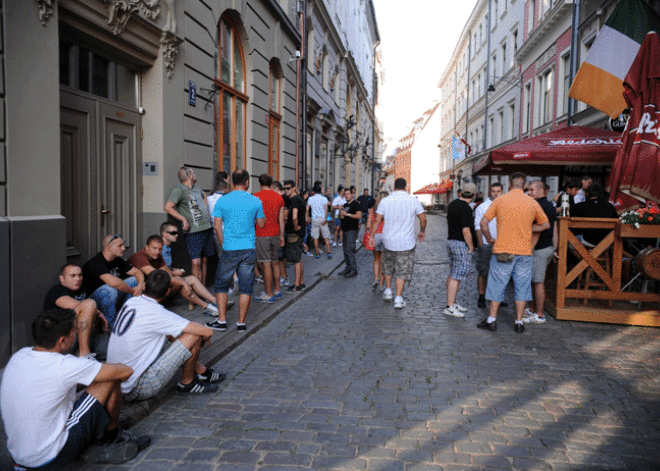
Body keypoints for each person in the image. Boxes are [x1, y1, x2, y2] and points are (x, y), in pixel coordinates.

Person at [1, 309, 151, 469]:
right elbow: (125, 371)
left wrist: (88, 376)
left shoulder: (19, 356)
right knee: (109, 379)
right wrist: (99, 372)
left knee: (92, 382)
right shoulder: (64, 365)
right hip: (48, 457)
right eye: (74, 332)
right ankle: (112, 437)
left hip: (19, 454)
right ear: (62, 341)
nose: (76, 335)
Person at [107, 270, 222, 400]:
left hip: (116, 381)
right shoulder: (157, 312)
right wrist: (203, 339)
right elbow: (207, 331)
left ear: (144, 285)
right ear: (168, 292)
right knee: (193, 335)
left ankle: (200, 370)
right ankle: (187, 383)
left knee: (169, 333)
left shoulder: (131, 302)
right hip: (136, 387)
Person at [478, 172, 550, 334]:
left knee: (497, 284)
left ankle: (492, 320)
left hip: (503, 250)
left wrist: (489, 238)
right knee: (522, 286)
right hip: (524, 252)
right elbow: (545, 225)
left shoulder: (500, 200)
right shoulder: (531, 202)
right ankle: (518, 322)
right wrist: (529, 228)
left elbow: (484, 223)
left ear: (509, 185)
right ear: (524, 186)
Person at [208, 169, 266, 331]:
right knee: (246, 286)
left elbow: (217, 227)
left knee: (221, 285)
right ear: (247, 182)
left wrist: (224, 243)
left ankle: (221, 320)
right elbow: (261, 224)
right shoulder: (255, 201)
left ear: (232, 182)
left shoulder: (223, 201)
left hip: (229, 249)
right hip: (248, 248)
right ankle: (241, 323)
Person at [368, 178, 426, 309]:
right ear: (405, 187)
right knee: (402, 270)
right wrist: (422, 231)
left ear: (394, 187)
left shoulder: (385, 201)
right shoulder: (413, 201)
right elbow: (423, 219)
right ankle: (398, 299)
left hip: (388, 240)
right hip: (406, 243)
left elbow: (377, 220)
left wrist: (371, 236)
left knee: (388, 266)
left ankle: (388, 291)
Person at [129, 235, 219, 316]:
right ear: (146, 247)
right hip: (143, 295)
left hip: (157, 290)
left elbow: (168, 273)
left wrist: (175, 274)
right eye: (154, 248)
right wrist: (183, 283)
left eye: (160, 249)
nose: (157, 251)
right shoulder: (139, 257)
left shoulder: (157, 256)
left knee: (191, 279)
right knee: (181, 282)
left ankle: (215, 302)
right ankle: (206, 307)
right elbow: (156, 275)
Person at [159, 222, 235, 309]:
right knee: (183, 281)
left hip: (169, 282)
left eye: (177, 233)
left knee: (192, 279)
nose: (176, 235)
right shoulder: (160, 249)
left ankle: (214, 303)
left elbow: (164, 267)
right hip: (161, 287)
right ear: (164, 234)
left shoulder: (167, 248)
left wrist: (173, 270)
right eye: (173, 233)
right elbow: (160, 273)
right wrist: (175, 273)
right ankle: (211, 306)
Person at [43, 264, 108, 358]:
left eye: (80, 275)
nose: (78, 279)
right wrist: (98, 313)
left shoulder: (82, 289)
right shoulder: (56, 291)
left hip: (80, 335)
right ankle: (84, 355)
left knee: (112, 350)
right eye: (72, 276)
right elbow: (77, 305)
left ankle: (80, 355)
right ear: (62, 278)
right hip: (61, 339)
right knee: (89, 304)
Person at [164, 166, 214, 285]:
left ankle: (203, 289)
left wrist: (204, 210)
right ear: (190, 175)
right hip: (193, 232)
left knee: (204, 260)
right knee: (196, 262)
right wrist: (183, 219)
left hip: (206, 229)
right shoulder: (180, 190)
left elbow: (204, 196)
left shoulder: (197, 188)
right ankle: (197, 290)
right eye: (193, 173)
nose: (195, 174)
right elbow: (168, 207)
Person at [83, 234, 146, 328]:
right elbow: (114, 283)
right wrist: (133, 291)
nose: (124, 248)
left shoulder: (117, 260)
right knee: (110, 289)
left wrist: (140, 286)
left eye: (123, 245)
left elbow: (137, 272)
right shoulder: (96, 263)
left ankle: (126, 317)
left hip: (112, 297)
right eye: (120, 246)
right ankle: (112, 326)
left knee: (134, 280)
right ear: (108, 247)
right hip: (94, 302)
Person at [524, 181, 558, 324]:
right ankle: (532, 308)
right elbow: (555, 229)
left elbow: (541, 228)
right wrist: (555, 248)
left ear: (541, 191)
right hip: (547, 247)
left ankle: (539, 314)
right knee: (534, 280)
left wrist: (524, 228)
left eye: (532, 190)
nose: (529, 193)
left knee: (538, 282)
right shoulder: (550, 205)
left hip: (540, 248)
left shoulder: (538, 205)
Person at [444, 182, 476, 317]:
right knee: (457, 275)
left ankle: (452, 302)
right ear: (473, 195)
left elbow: (447, 221)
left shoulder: (452, 204)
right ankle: (450, 306)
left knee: (453, 273)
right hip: (460, 243)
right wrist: (471, 246)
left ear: (462, 192)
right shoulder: (466, 208)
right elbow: (466, 230)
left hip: (450, 240)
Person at [253, 173, 285, 303]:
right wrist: (282, 235)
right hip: (276, 233)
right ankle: (277, 290)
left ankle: (268, 293)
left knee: (266, 264)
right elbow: (281, 219)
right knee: (275, 262)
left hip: (262, 234)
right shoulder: (278, 197)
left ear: (260, 184)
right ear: (271, 184)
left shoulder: (255, 197)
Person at [474, 183, 504, 308]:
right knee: (483, 272)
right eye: (493, 191)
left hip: (502, 244)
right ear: (489, 192)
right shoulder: (482, 207)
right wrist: (481, 244)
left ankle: (498, 297)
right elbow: (478, 226)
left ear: (502, 192)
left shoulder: (505, 205)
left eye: (498, 191)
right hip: (487, 244)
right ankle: (481, 296)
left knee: (501, 273)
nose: (496, 193)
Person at [283, 180, 307, 292]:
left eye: (288, 188)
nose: (286, 190)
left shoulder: (295, 200)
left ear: (294, 188)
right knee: (299, 258)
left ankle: (296, 285)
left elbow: (294, 217)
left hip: (295, 234)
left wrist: (296, 226)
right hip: (299, 234)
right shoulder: (299, 200)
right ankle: (301, 282)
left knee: (296, 260)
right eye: (285, 188)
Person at [365, 191, 388, 289]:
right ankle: (382, 284)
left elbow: (368, 225)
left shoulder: (372, 209)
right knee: (383, 260)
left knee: (376, 259)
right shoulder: (389, 209)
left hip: (375, 235)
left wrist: (368, 234)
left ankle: (376, 279)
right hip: (386, 235)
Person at [339, 185, 362, 278]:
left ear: (352, 195)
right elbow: (342, 217)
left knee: (350, 250)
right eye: (345, 194)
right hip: (344, 229)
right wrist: (341, 213)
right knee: (345, 250)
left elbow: (359, 216)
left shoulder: (356, 204)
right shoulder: (345, 205)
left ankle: (353, 269)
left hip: (352, 230)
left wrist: (347, 214)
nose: (347, 196)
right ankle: (348, 268)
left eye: (348, 194)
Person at [273, 181, 292, 287]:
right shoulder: (283, 198)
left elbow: (285, 216)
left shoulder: (283, 198)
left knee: (280, 257)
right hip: (281, 230)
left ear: (276, 188)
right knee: (280, 256)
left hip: (281, 230)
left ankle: (284, 277)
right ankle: (282, 277)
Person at [207, 171, 230, 253]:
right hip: (226, 232)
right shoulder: (227, 199)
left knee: (221, 258)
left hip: (215, 233)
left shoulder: (208, 199)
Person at [308, 183, 333, 259]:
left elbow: (307, 209)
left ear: (314, 191)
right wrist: (325, 218)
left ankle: (317, 254)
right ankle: (329, 253)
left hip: (314, 219)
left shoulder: (310, 198)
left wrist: (308, 217)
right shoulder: (324, 198)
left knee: (315, 237)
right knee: (326, 237)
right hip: (322, 218)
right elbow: (326, 209)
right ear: (320, 191)